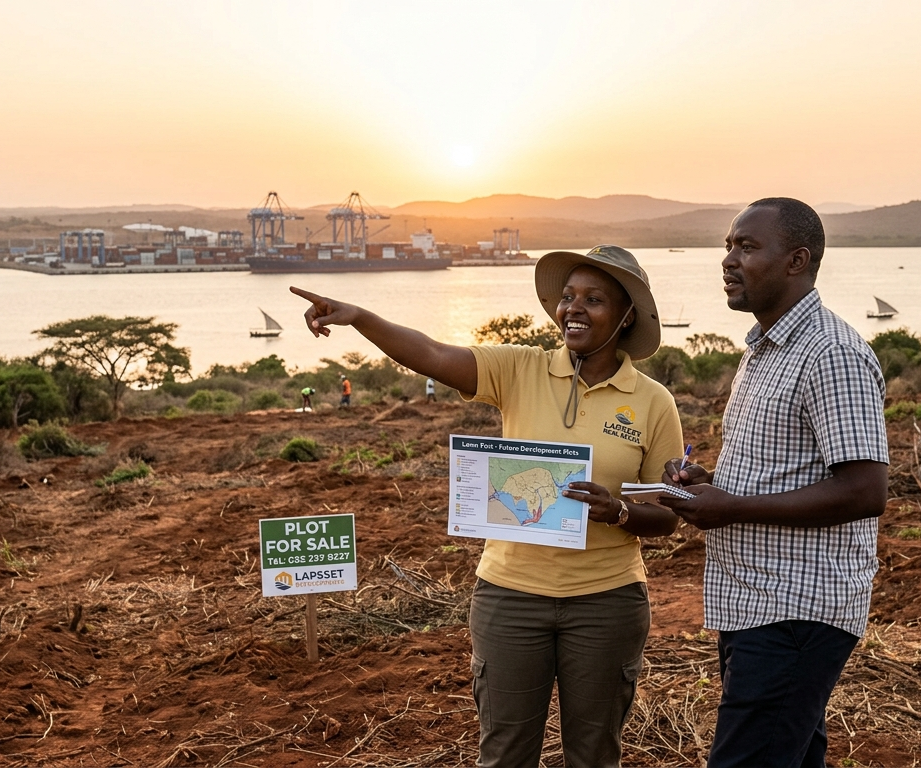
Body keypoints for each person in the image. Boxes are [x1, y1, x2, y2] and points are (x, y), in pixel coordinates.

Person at [291, 245, 684, 768]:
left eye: (594, 299)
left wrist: (619, 512)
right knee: (503, 755)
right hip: (510, 599)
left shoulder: (654, 402)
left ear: (627, 313)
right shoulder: (519, 369)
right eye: (568, 297)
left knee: (593, 756)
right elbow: (431, 353)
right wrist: (361, 317)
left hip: (606, 602)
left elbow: (669, 512)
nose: (574, 309)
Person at [660, 198, 889, 768]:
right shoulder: (765, 350)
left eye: (746, 247)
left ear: (797, 260)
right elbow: (785, 470)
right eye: (728, 246)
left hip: (795, 609)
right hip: (756, 600)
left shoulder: (831, 353)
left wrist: (733, 506)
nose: (728, 260)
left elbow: (865, 490)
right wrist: (709, 483)